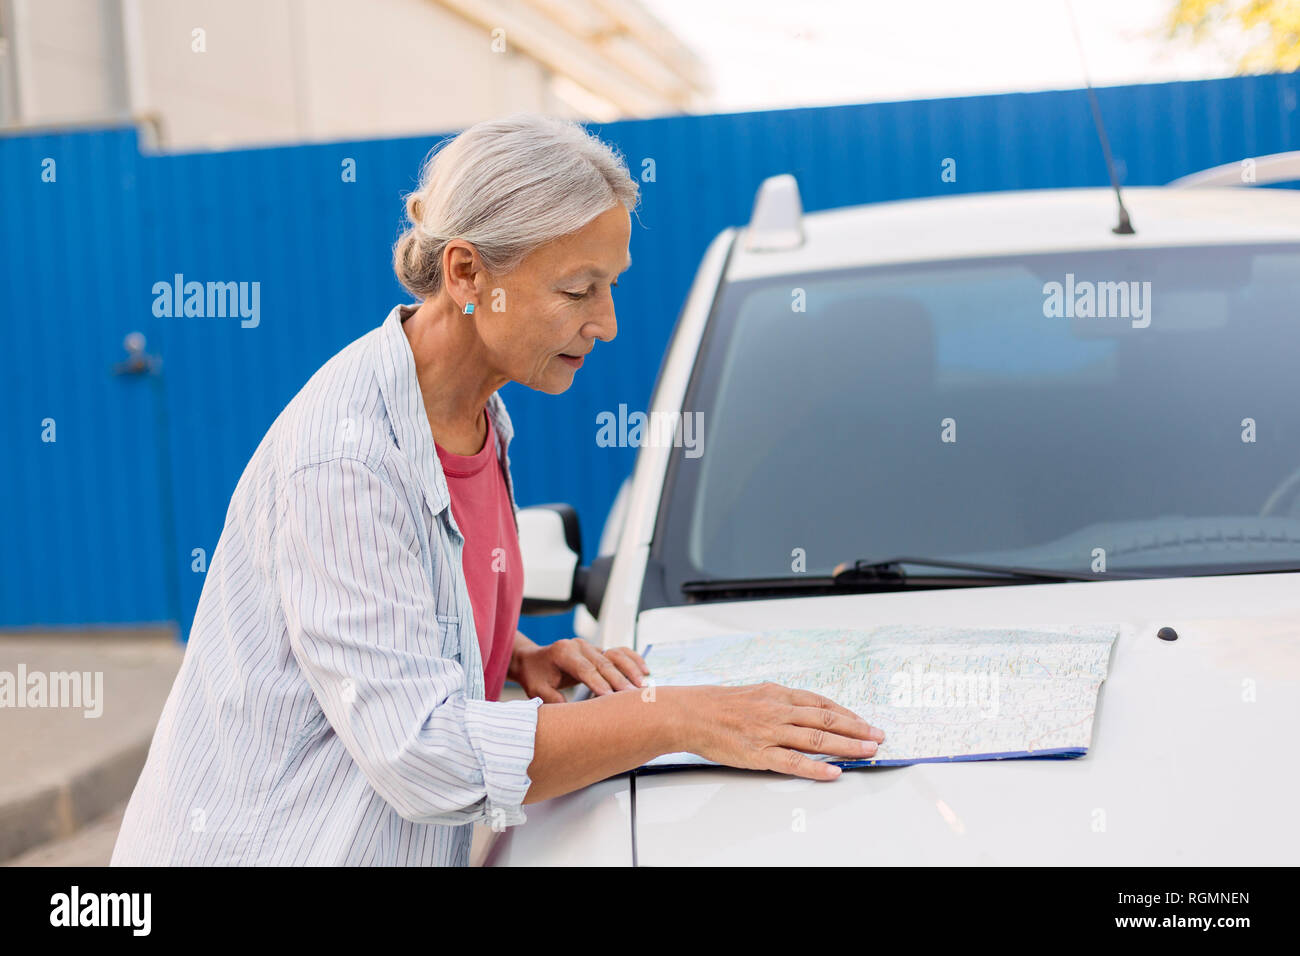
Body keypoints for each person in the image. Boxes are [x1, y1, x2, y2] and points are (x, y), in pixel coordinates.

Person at [110, 112, 883, 867]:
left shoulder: (474, 412)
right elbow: (427, 756)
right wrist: (679, 717)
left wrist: (510, 654)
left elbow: (376, 609)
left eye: (610, 286)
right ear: (468, 273)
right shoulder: (345, 461)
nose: (607, 323)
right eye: (579, 292)